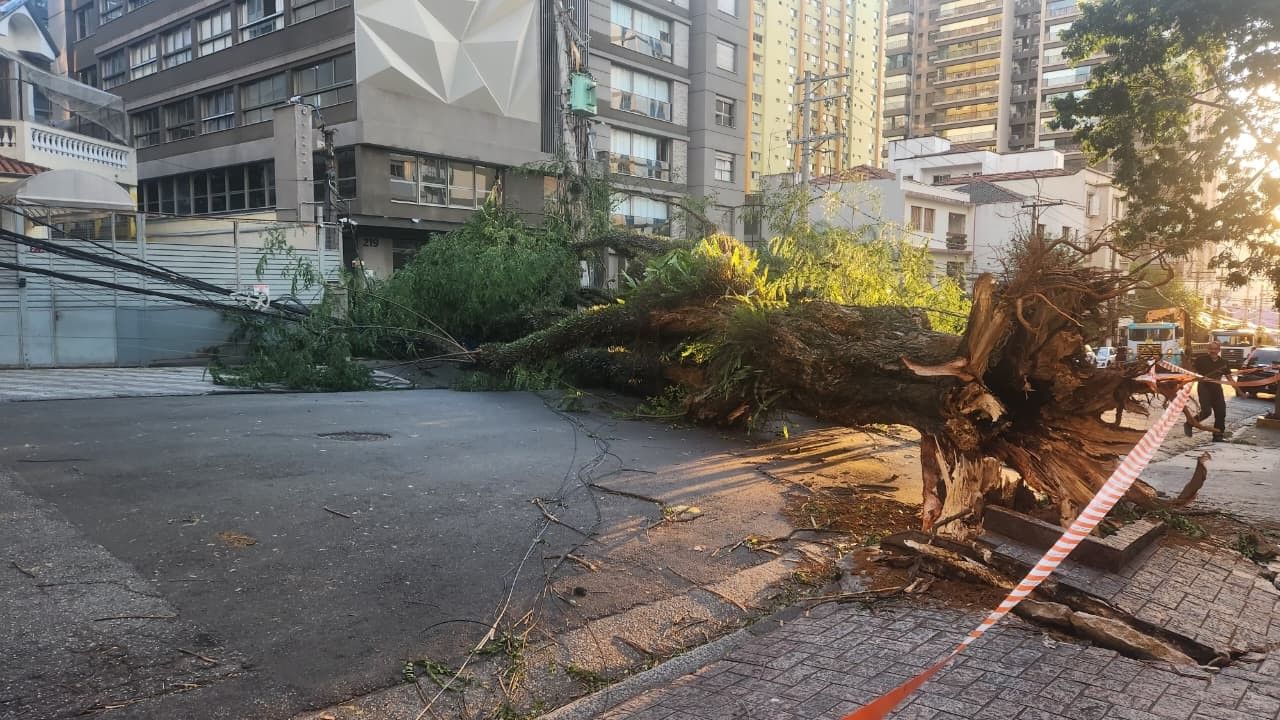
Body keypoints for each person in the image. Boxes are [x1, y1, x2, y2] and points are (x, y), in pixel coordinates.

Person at [1186, 341, 1231, 441]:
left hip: (1217, 389)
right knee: (1206, 412)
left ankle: (1218, 436)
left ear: (1219, 350)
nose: (1213, 351)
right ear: (1208, 349)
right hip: (1204, 388)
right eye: (1211, 349)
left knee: (1221, 412)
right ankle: (1190, 423)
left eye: (1215, 349)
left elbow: (1230, 378)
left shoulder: (1224, 362)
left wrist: (1240, 392)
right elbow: (1191, 372)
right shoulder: (1201, 360)